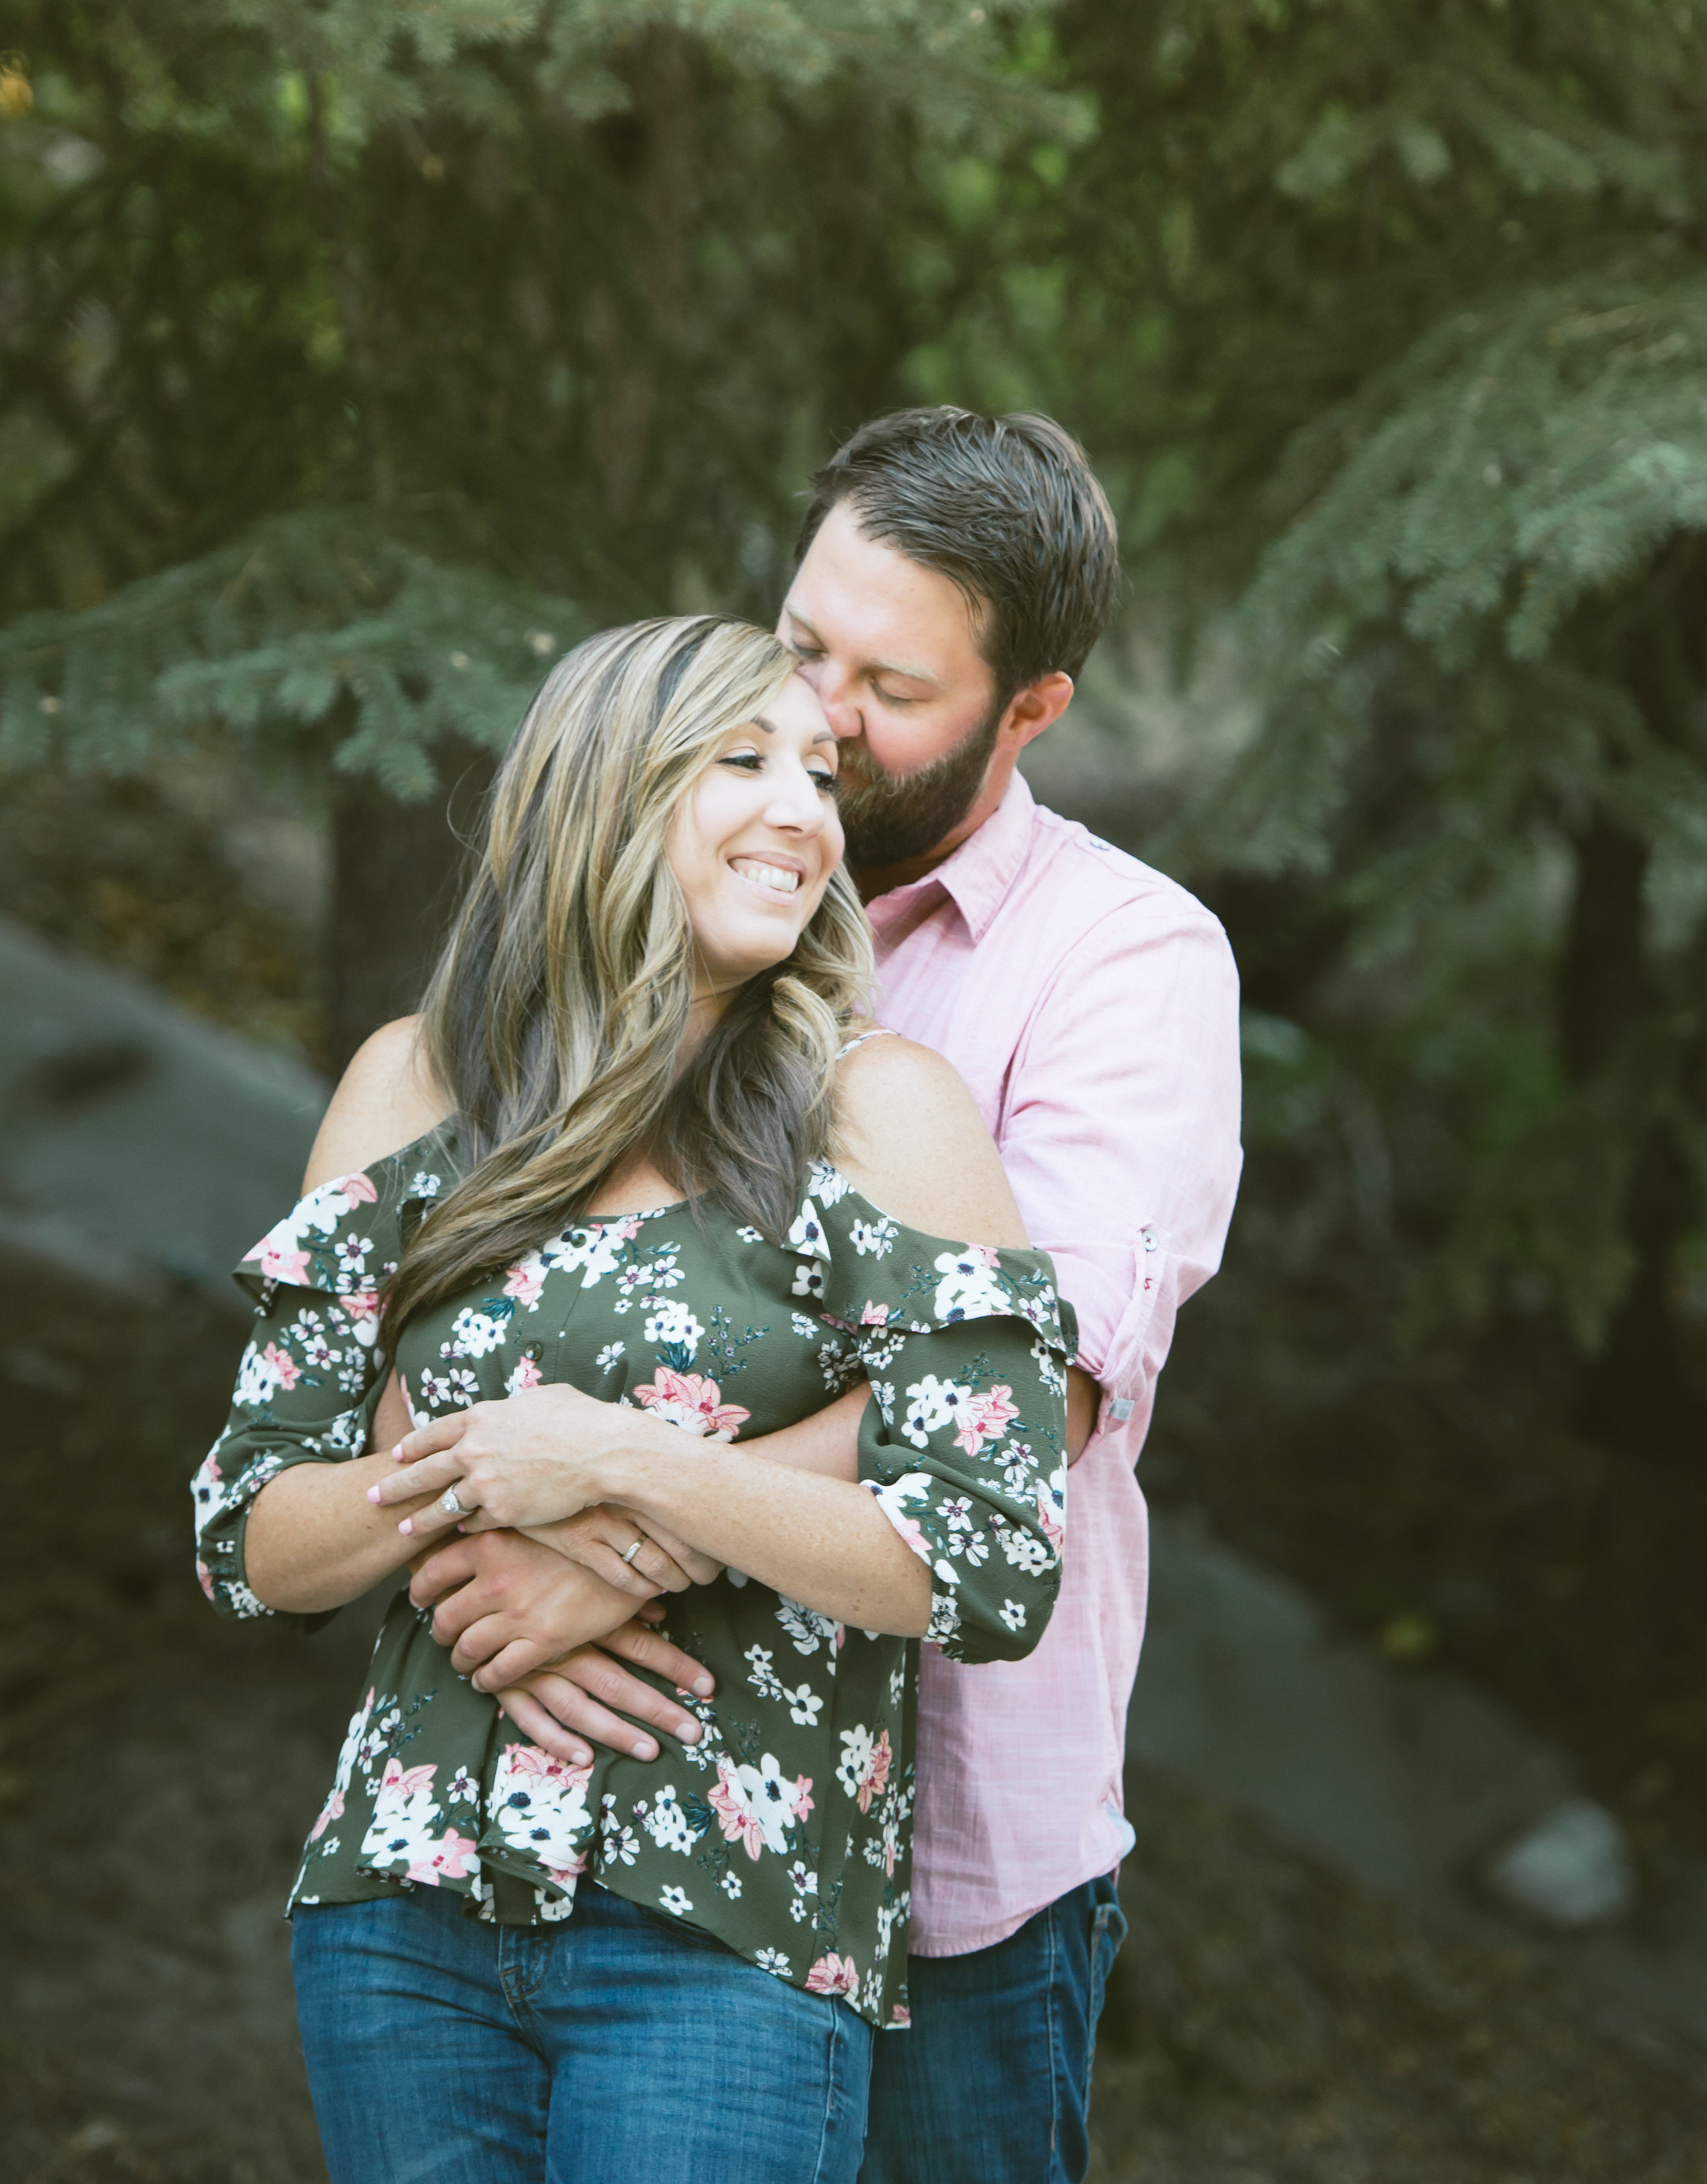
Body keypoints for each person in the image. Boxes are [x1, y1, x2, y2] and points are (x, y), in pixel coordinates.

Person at [409, 410, 1242, 2184]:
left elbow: (1043, 1394)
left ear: (1029, 711)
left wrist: (610, 1512)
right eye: (802, 648)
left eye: (894, 686)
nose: (825, 726)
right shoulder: (652, 899)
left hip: (950, 1851)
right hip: (621, 1816)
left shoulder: (1122, 962)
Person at [194, 613, 1074, 2184]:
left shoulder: (875, 1112)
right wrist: (482, 1493)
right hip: (402, 1911)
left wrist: (616, 1472)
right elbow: (254, 1533)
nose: (804, 809)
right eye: (743, 760)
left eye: (817, 773)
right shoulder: (418, 1084)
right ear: (603, 792)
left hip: (722, 1933)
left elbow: (989, 1554)